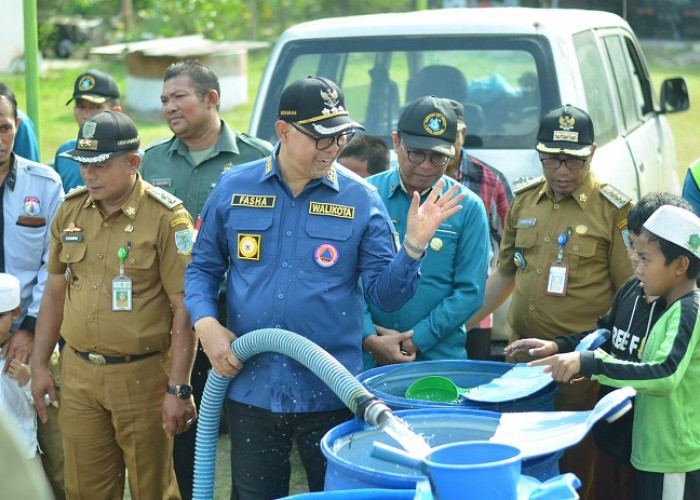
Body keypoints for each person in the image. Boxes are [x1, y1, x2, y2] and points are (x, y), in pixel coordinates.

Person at [184, 75, 465, 500]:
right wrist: (205, 323)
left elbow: (383, 296)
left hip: (332, 392)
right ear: (282, 132)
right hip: (251, 386)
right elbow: (201, 269)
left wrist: (413, 247)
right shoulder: (233, 188)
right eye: (320, 137)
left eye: (340, 136)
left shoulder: (361, 198)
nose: (332, 148)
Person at [466, 104, 634, 500]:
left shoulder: (614, 210)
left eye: (572, 161)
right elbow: (505, 274)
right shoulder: (524, 201)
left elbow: (629, 295)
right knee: (519, 457)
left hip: (579, 364)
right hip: (522, 360)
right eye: (552, 159)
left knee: (573, 465)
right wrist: (462, 325)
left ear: (591, 154)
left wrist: (590, 351)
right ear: (538, 154)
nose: (561, 171)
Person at [30, 110, 197, 499]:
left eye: (101, 165)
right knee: (85, 490)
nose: (89, 175)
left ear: (133, 163)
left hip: (141, 377)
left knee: (151, 489)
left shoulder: (167, 217)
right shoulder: (71, 209)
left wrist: (178, 387)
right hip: (79, 374)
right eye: (83, 164)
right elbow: (54, 290)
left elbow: (184, 308)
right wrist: (40, 365)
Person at [140, 59, 273, 500]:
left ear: (211, 99)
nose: (169, 108)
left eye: (179, 97)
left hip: (239, 313)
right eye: (163, 100)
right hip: (176, 315)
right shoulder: (152, 160)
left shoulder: (256, 158)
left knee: (246, 426)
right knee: (181, 420)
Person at [506, 192, 692, 500]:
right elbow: (603, 334)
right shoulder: (633, 289)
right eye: (630, 244)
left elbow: (663, 373)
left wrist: (589, 364)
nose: (633, 257)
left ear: (675, 260)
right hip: (609, 439)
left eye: (643, 252)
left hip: (653, 450)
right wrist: (558, 346)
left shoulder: (680, 309)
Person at [361, 95, 489, 367]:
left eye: (438, 158)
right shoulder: (364, 196)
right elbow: (342, 279)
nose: (426, 166)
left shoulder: (467, 208)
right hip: (366, 357)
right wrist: (369, 337)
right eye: (416, 153)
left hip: (437, 360)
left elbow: (469, 291)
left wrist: (415, 339)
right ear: (396, 142)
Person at [0, 83, 65, 498]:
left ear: (17, 126)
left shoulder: (43, 184)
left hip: (32, 343)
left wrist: (29, 329)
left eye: (3, 127)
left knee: (56, 460)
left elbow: (56, 265)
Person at [445, 98, 513, 360]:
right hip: (422, 308)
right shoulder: (413, 177)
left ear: (463, 134)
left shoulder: (490, 181)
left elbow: (515, 243)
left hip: (475, 310)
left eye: (451, 135)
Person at [54, 69, 122, 192]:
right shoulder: (65, 154)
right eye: (81, 107)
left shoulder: (130, 157)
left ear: (116, 112)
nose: (86, 115)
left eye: (96, 107)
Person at [0, 273, 39, 463]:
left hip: (22, 452)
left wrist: (27, 379)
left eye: (0, 316)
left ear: (15, 313)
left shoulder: (25, 353)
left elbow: (45, 399)